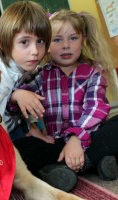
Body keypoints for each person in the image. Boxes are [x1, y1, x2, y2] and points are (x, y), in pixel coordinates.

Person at [9, 9, 118, 192]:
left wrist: (77, 139)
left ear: (83, 39)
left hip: (90, 138)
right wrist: (17, 97)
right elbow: (15, 109)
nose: (66, 45)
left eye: (73, 38)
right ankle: (96, 161)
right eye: (57, 40)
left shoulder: (94, 71)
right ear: (47, 45)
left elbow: (96, 108)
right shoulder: (41, 74)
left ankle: (66, 168)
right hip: (56, 143)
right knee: (19, 148)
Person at [0, 1, 53, 143]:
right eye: (24, 42)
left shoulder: (25, 68)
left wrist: (31, 128)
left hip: (16, 128)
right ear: (4, 45)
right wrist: (16, 95)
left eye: (40, 41)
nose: (35, 52)